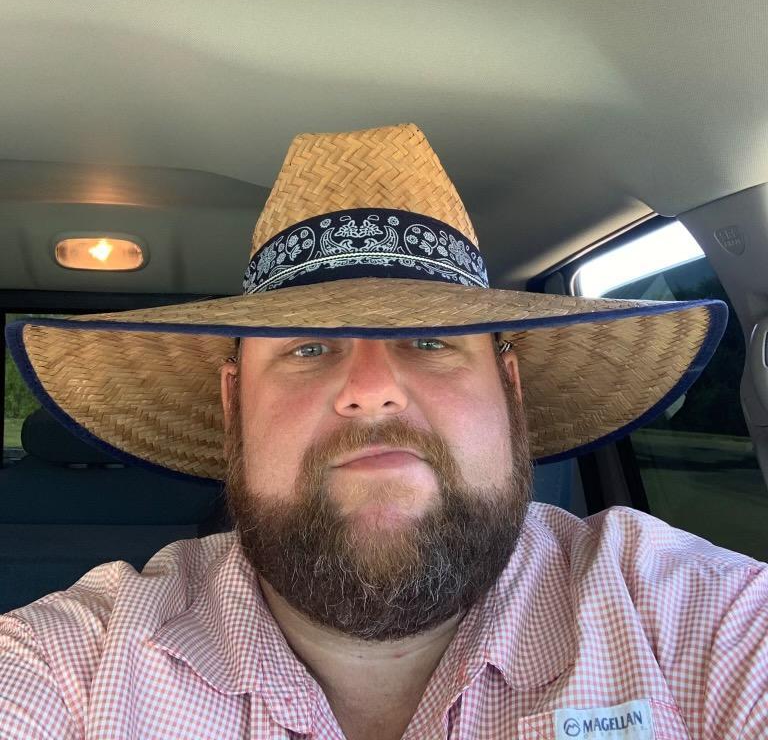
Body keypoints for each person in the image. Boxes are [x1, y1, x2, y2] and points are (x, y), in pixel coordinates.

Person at [1, 123, 766, 739]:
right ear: (234, 405)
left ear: (510, 390)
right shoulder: (75, 666)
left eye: (431, 340)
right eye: (308, 348)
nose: (371, 392)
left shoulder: (691, 620)